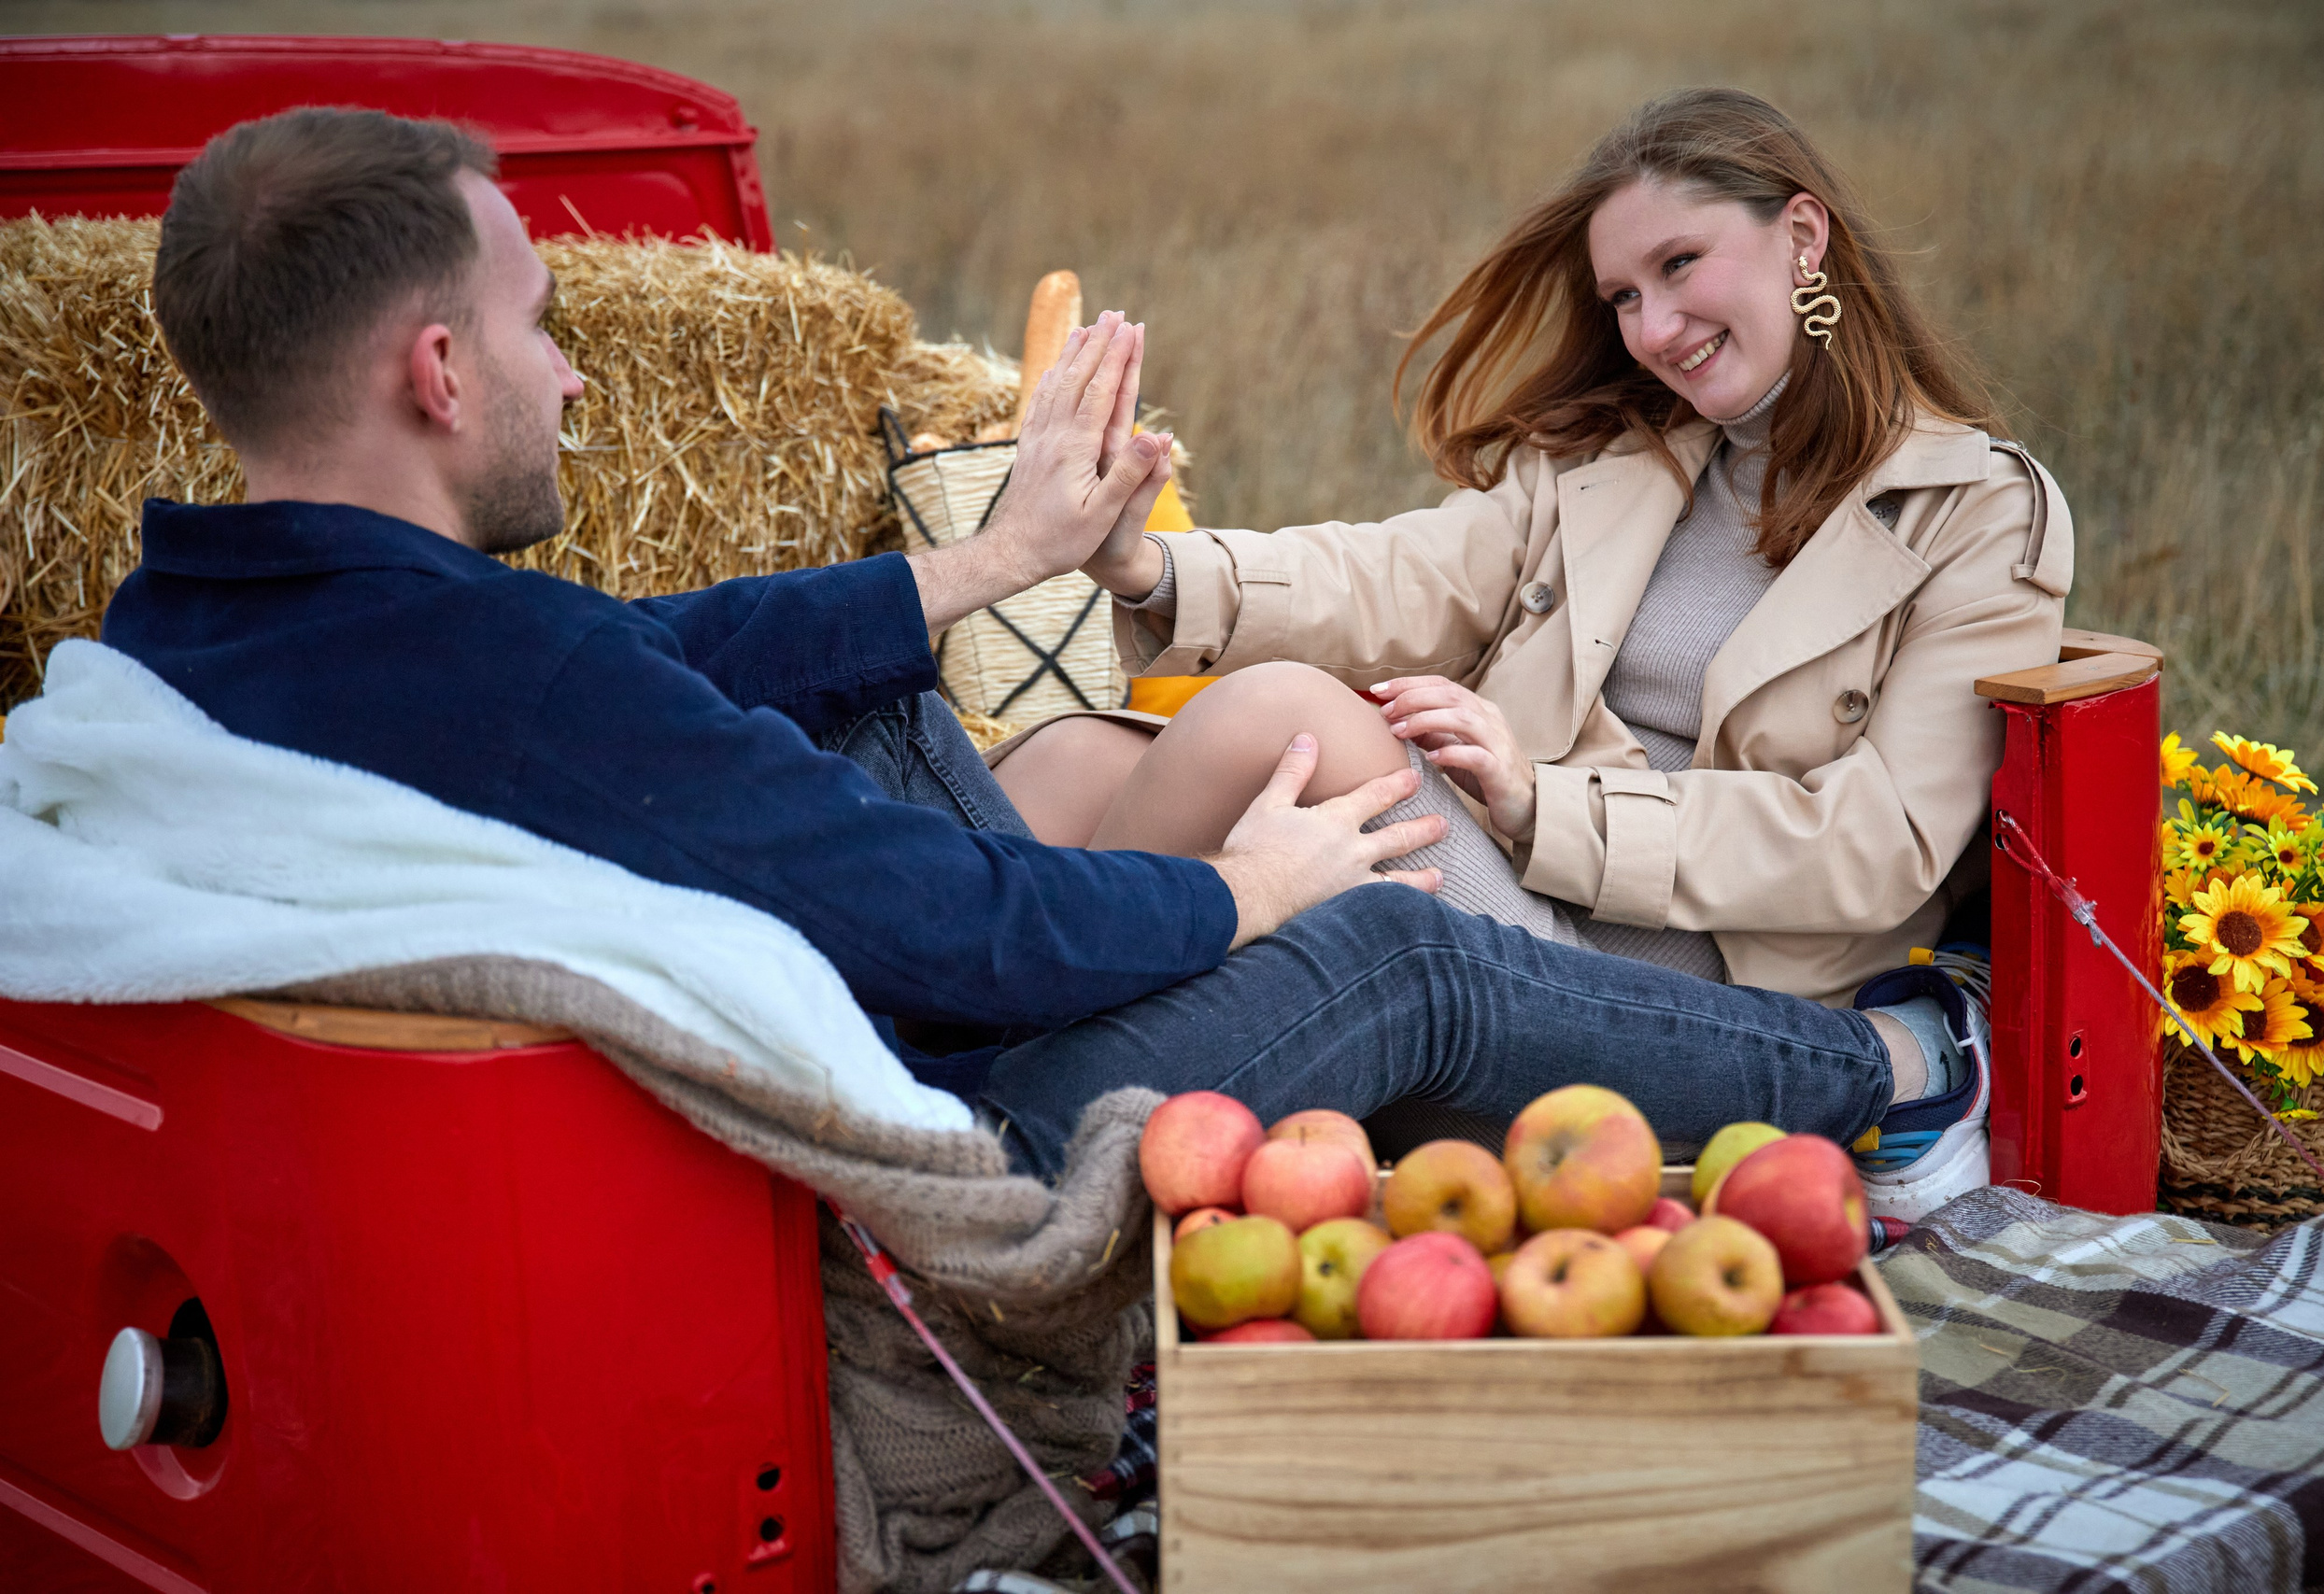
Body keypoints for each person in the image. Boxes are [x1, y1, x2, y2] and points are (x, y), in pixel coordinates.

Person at [106, 104, 1936, 1201]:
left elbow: (654, 649)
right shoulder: (513, 677)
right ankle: (1892, 1077)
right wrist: (1242, 889)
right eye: (537, 328)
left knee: (880, 690)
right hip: (941, 1141)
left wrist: (992, 560)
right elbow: (960, 933)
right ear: (436, 376)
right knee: (1392, 944)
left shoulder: (202, 619)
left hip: (782, 1041)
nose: (573, 375)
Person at [991, 88, 2072, 1213]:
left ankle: (1011, 1136)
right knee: (1067, 763)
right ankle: (950, 1089)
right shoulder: (1622, 454)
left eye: (1680, 264)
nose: (1653, 330)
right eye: (1622, 297)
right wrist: (1148, 570)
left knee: (1277, 721)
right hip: (1508, 885)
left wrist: (1543, 808)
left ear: (1803, 238)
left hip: (1682, 996)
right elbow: (1405, 572)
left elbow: (1884, 842)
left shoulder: (1978, 510)